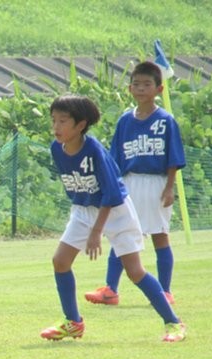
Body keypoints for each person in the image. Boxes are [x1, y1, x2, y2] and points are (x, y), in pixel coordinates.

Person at [41, 94, 186, 343]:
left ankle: (173, 322)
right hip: (84, 209)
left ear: (80, 125)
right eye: (53, 120)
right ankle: (73, 322)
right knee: (60, 261)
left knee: (135, 272)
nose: (56, 126)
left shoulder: (95, 151)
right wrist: (86, 220)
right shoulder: (57, 148)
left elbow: (111, 193)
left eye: (63, 121)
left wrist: (97, 232)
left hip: (116, 211)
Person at [85, 61, 186, 307]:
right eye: (136, 84)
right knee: (121, 234)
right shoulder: (125, 121)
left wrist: (169, 187)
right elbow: (115, 158)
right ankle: (110, 289)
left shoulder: (165, 120)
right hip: (128, 182)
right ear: (130, 88)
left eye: (147, 84)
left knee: (159, 235)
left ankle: (165, 291)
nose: (141, 89)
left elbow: (173, 157)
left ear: (159, 89)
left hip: (155, 183)